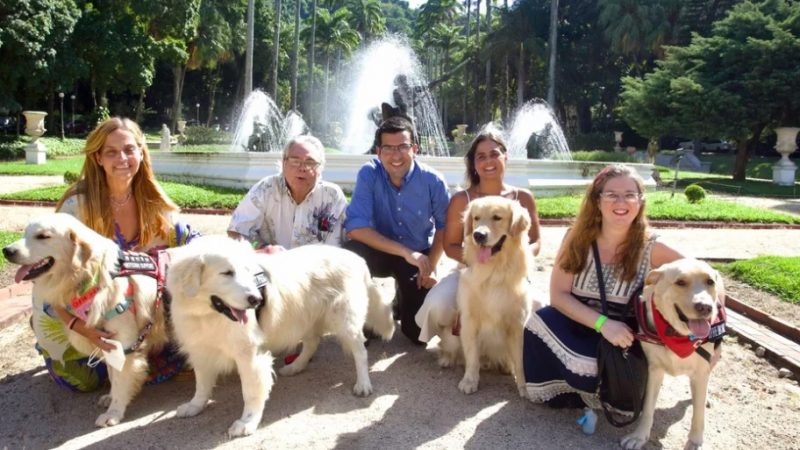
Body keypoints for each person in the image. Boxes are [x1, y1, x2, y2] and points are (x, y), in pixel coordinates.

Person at [34, 117, 197, 392]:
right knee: (85, 379)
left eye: (129, 149)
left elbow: (192, 241)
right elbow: (48, 278)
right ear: (98, 157)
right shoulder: (77, 207)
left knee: (182, 351)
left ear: (141, 153)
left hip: (132, 314)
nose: (122, 158)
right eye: (111, 151)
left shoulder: (152, 201)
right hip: (74, 312)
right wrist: (81, 327)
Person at [522, 164, 683, 421]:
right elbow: (559, 295)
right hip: (584, 323)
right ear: (597, 201)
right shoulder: (576, 239)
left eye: (630, 194)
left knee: (591, 364)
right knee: (538, 320)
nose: (621, 202)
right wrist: (602, 323)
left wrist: (711, 333)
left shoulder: (655, 247)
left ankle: (605, 391)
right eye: (611, 195)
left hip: (624, 337)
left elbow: (703, 278)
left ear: (640, 202)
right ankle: (567, 390)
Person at [415, 130, 542, 351]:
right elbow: (450, 245)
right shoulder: (461, 199)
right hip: (471, 270)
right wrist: (477, 262)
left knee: (542, 310)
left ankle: (516, 354)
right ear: (474, 164)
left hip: (512, 274)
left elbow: (536, 241)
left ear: (505, 157)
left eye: (494, 154)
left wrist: (514, 260)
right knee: (438, 305)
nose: (488, 161)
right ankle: (455, 340)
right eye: (481, 157)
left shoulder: (523, 197)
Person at [343, 116, 450, 344]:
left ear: (415, 148)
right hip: (379, 252)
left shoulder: (433, 181)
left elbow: (444, 227)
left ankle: (402, 299)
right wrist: (403, 251)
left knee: (417, 335)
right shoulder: (369, 173)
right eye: (388, 148)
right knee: (351, 252)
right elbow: (355, 228)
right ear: (378, 151)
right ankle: (368, 313)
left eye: (403, 147)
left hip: (417, 256)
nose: (396, 155)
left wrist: (430, 265)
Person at [228, 135, 347, 250]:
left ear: (320, 168)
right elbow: (237, 231)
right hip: (270, 264)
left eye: (310, 162)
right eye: (295, 161)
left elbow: (336, 247)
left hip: (317, 266)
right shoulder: (266, 189)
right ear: (284, 163)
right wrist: (261, 248)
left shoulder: (332, 196)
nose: (302, 168)